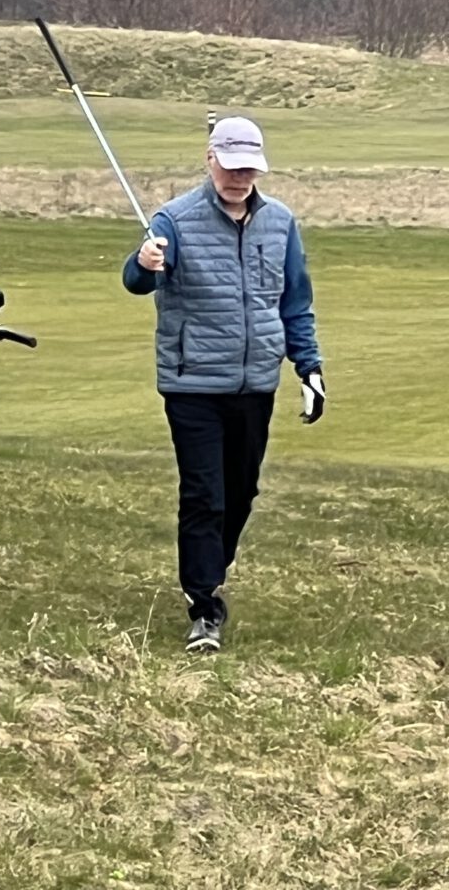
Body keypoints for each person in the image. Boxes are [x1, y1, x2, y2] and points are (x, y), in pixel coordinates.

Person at [122, 116, 325, 653]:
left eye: (249, 169)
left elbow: (295, 302)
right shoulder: (174, 219)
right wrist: (143, 262)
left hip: (255, 382)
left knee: (241, 492)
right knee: (204, 494)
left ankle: (211, 566)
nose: (239, 178)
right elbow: (138, 280)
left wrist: (309, 367)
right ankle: (204, 603)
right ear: (210, 158)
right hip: (193, 382)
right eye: (231, 166)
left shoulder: (279, 222)